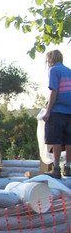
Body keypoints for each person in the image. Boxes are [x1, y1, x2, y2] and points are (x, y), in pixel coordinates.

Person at [43, 49, 71, 179]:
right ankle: (68, 166)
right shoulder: (68, 71)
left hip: (58, 110)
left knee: (56, 139)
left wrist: (48, 110)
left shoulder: (54, 70)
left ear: (51, 60)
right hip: (69, 110)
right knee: (69, 140)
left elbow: (54, 91)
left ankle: (56, 168)